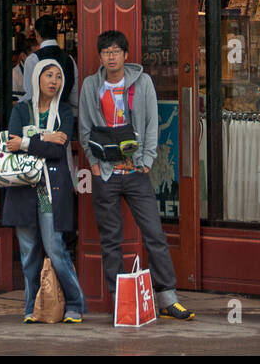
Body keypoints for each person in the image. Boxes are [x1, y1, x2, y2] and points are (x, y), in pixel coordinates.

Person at [79, 30, 194, 321]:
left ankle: (168, 299)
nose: (112, 56)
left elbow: (153, 122)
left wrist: (147, 160)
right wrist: (93, 163)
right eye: (106, 52)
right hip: (105, 172)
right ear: (100, 56)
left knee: (155, 233)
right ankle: (120, 300)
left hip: (136, 172)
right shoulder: (91, 85)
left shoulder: (141, 83)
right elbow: (84, 128)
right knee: (110, 239)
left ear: (126, 55)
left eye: (117, 51)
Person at [2, 58, 85, 324]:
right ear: (37, 78)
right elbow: (12, 142)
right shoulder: (21, 109)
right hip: (24, 190)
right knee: (27, 253)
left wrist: (29, 140)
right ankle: (32, 307)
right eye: (49, 75)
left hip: (47, 193)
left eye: (58, 77)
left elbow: (57, 150)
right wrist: (44, 137)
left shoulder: (64, 111)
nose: (54, 81)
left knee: (54, 247)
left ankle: (74, 303)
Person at [22, 15, 77, 116]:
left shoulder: (33, 59)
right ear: (56, 33)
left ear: (37, 34)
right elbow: (75, 98)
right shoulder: (69, 59)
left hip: (39, 118)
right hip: (64, 116)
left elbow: (30, 95)